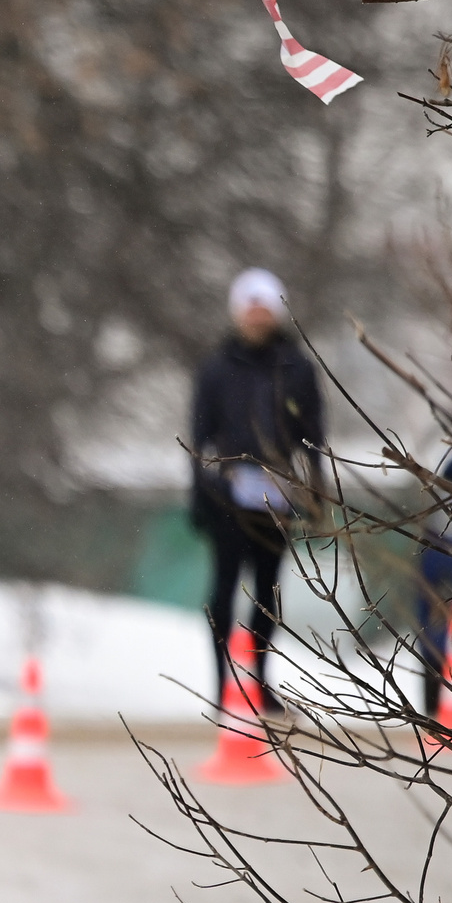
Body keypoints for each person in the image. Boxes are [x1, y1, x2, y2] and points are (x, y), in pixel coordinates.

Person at [188, 267, 325, 706]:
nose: (257, 317)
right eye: (250, 309)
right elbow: (199, 437)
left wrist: (316, 491)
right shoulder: (215, 369)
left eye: (264, 309)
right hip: (227, 494)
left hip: (278, 492)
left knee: (268, 590)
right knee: (224, 587)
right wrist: (200, 492)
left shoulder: (297, 368)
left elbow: (313, 436)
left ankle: (259, 681)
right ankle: (222, 682)